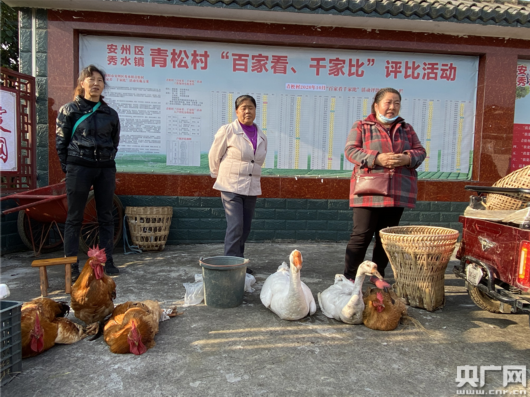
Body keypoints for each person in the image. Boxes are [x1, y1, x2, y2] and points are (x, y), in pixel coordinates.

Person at [344, 87, 426, 283]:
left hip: (396, 192)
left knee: (385, 238)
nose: (392, 107)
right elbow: (351, 151)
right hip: (368, 191)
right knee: (361, 236)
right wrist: (378, 158)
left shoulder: (407, 128)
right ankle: (348, 277)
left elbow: (420, 151)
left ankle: (377, 275)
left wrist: (406, 158)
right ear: (376, 105)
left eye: (396, 103)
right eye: (388, 102)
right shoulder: (362, 126)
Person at [56, 65, 121, 281]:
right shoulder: (69, 110)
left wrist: (106, 160)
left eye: (100, 81)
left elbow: (114, 142)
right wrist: (71, 167)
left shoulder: (110, 114)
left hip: (104, 168)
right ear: (82, 83)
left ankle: (106, 261)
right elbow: (61, 142)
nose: (95, 83)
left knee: (105, 216)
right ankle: (71, 266)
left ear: (103, 86)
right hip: (79, 167)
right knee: (74, 217)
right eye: (91, 79)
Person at [208, 95, 268, 273]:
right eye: (243, 108)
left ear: (255, 111)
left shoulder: (262, 136)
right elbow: (214, 156)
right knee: (236, 225)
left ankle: (238, 261)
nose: (247, 111)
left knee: (246, 227)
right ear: (237, 111)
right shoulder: (228, 131)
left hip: (251, 187)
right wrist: (219, 176)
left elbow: (257, 162)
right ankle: (231, 265)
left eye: (251, 107)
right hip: (230, 186)